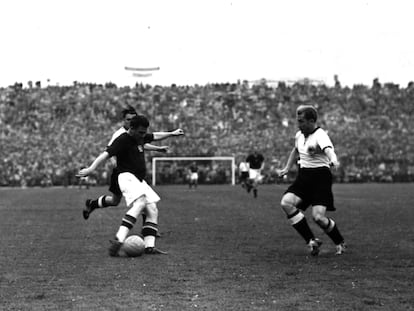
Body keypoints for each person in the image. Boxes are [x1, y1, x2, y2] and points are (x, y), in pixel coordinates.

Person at [77, 114, 184, 256]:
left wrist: (171, 133)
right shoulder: (122, 139)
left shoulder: (139, 136)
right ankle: (119, 239)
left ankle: (149, 247)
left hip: (138, 179)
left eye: (145, 132)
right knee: (140, 202)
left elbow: (155, 135)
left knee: (152, 209)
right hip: (126, 176)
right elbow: (106, 154)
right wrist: (91, 168)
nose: (143, 135)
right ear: (131, 129)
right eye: (141, 132)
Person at [277, 105, 346, 256]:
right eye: (298, 120)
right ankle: (311, 240)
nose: (298, 124)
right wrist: (287, 168)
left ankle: (339, 242)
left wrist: (333, 160)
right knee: (286, 203)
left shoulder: (320, 135)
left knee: (318, 218)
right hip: (304, 177)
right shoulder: (299, 135)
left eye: (301, 121)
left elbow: (329, 150)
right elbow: (295, 150)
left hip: (320, 178)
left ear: (311, 121)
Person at [82, 106, 168, 220]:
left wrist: (157, 148)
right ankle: (93, 204)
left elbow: (141, 143)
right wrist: (113, 160)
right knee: (115, 201)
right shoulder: (119, 135)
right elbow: (110, 150)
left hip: (133, 172)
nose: (131, 121)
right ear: (124, 120)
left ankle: (148, 228)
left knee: (140, 198)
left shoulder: (136, 133)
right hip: (121, 172)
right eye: (128, 119)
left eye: (133, 119)